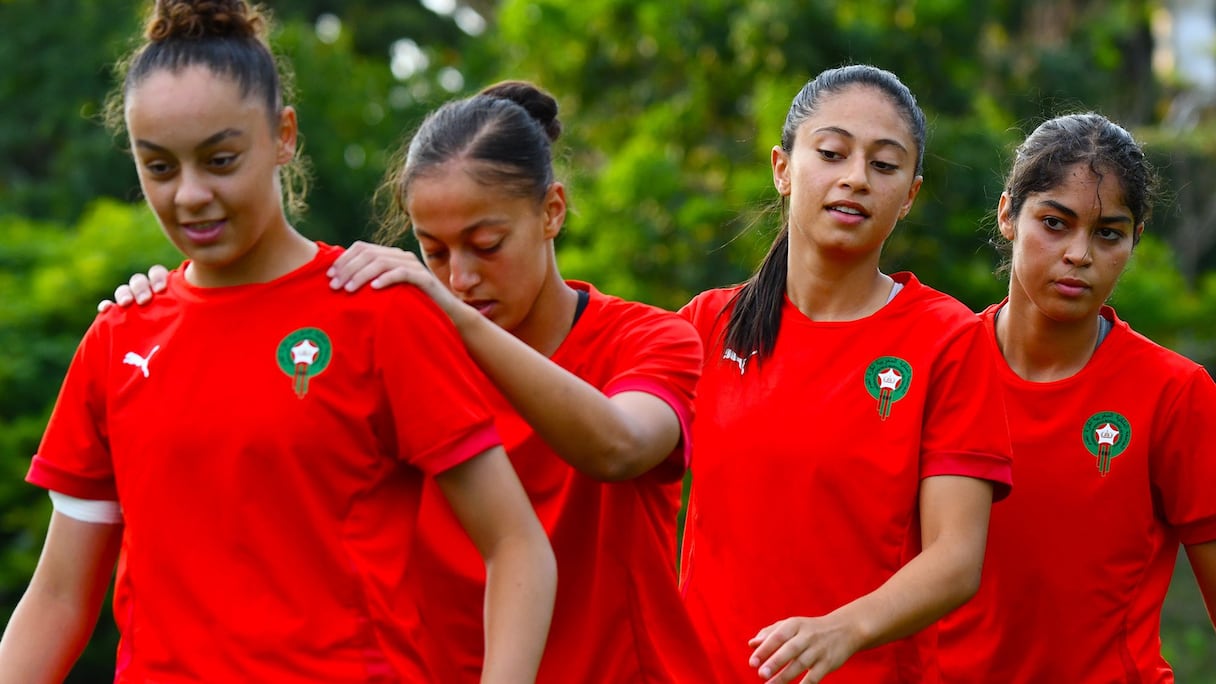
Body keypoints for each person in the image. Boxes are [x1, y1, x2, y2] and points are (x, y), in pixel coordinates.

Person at [0, 2, 556, 682]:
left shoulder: (375, 314)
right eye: (160, 167)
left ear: (283, 136)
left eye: (221, 159)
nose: (191, 195)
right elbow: (57, 598)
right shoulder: (119, 338)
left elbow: (516, 545)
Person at [100, 79, 717, 683]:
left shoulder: (651, 340)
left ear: (552, 211)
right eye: (435, 251)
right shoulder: (396, 356)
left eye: (486, 244)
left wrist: (449, 318)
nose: (461, 278)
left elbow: (619, 447)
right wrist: (169, 307)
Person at [677, 64, 1014, 683]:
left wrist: (844, 629)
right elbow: (615, 461)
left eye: (884, 166)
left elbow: (956, 558)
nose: (855, 179)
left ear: (909, 195)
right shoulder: (705, 325)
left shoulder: (947, 339)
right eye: (832, 153)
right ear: (782, 168)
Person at [935, 113, 1216, 682]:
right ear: (1008, 214)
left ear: (1136, 237)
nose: (1079, 254)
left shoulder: (1174, 393)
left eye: (1108, 233)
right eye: (1055, 223)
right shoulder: (938, 366)